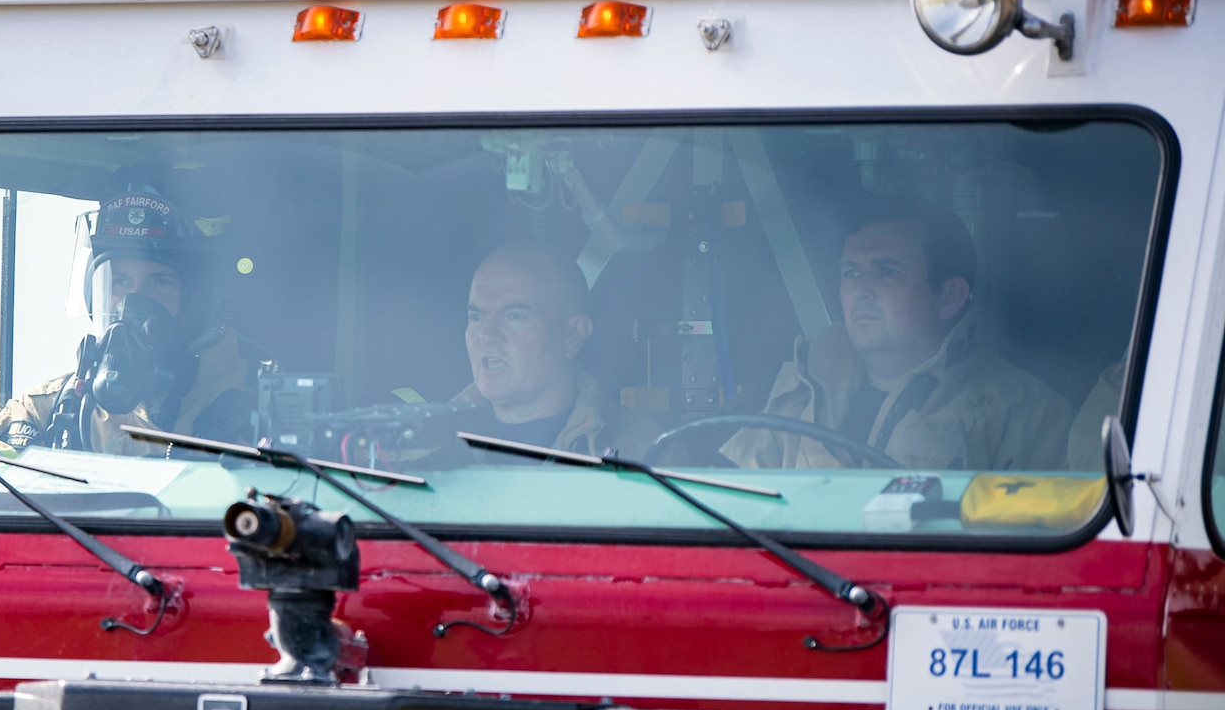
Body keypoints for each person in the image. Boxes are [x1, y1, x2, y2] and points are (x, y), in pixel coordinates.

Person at [722, 198, 1071, 472]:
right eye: (851, 272)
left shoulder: (1026, 413)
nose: (862, 289)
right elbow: (730, 504)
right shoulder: (804, 383)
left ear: (949, 297)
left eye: (887, 272)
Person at [0, 184, 256, 456]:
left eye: (160, 281)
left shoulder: (265, 409)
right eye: (120, 281)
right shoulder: (48, 410)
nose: (133, 301)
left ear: (196, 304)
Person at [450, 240, 659, 458]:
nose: (487, 335)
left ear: (573, 336)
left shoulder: (642, 451)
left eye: (514, 316)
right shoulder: (422, 448)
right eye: (476, 317)